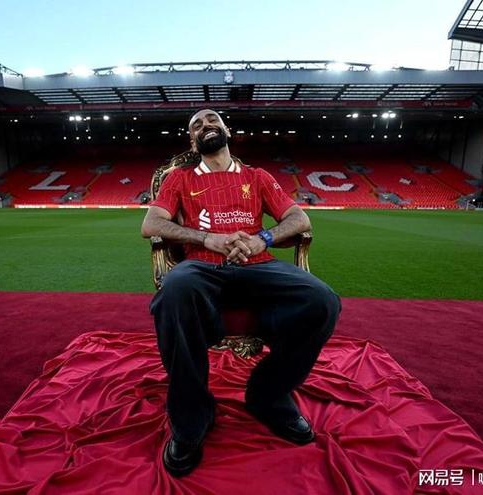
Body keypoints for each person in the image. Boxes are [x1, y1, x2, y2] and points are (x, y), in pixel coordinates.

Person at [141, 109, 341, 477]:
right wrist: (208, 239)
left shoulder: (257, 176)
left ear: (227, 130)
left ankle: (268, 395)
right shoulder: (179, 179)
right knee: (173, 290)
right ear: (192, 142)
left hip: (258, 264)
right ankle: (192, 417)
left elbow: (300, 219)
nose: (205, 126)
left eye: (212, 120)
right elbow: (150, 224)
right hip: (202, 266)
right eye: (196, 125)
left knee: (323, 301)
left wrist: (261, 238)